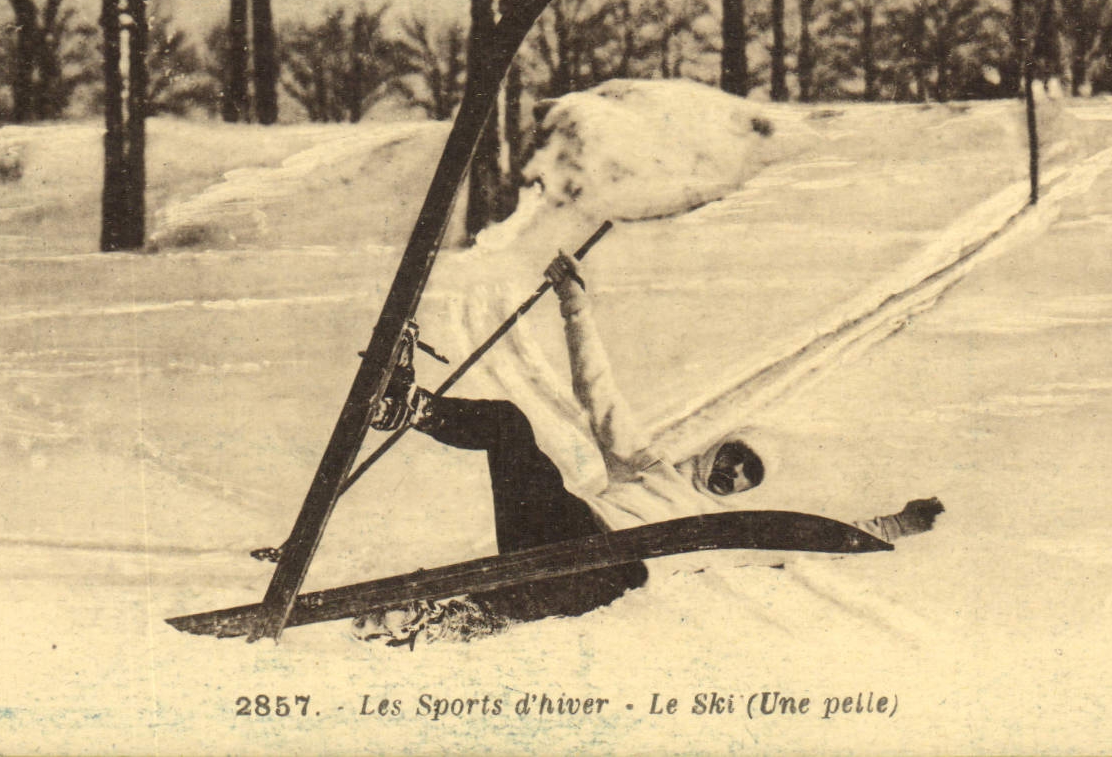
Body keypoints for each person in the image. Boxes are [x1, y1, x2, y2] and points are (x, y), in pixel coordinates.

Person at [355, 250, 943, 645]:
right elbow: (598, 392)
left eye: (746, 476)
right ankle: (408, 408)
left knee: (611, 581)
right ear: (717, 449)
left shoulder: (734, 529)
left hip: (615, 566)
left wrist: (895, 524)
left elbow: (811, 535)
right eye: (733, 457)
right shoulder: (649, 463)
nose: (733, 474)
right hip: (567, 526)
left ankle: (449, 620)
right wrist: (575, 303)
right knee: (509, 424)